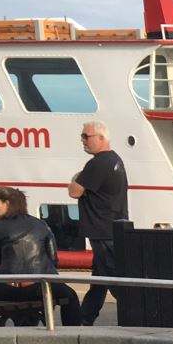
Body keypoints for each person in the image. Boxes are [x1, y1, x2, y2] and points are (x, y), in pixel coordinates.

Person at [0, 186, 81, 327]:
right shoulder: (40, 224)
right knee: (71, 297)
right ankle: (73, 332)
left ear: (7, 203)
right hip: (41, 287)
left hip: (11, 289)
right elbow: (53, 257)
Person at [68, 119, 128, 325]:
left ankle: (137, 314)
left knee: (112, 278)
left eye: (87, 136)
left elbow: (74, 191)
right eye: (82, 136)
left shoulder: (98, 163)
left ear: (102, 138)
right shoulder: (115, 160)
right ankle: (85, 318)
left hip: (103, 231)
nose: (82, 140)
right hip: (111, 229)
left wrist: (77, 176)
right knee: (99, 279)